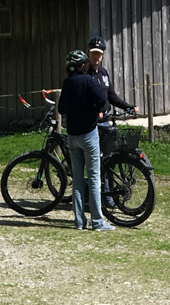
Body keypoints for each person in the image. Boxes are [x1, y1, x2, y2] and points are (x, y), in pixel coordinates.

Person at [57, 49, 133, 231]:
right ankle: (97, 221)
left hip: (72, 135)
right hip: (89, 134)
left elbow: (61, 109)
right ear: (83, 65)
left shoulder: (67, 83)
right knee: (94, 178)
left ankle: (79, 221)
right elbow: (102, 101)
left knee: (77, 179)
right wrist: (92, 110)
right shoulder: (89, 81)